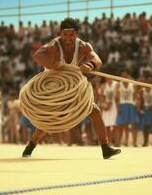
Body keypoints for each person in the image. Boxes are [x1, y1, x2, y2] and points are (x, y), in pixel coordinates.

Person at [22, 18, 121, 159]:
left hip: (72, 88)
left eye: (71, 34)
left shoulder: (83, 46)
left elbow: (97, 59)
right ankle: (32, 144)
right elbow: (37, 55)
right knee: (48, 122)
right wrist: (53, 64)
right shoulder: (54, 45)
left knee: (95, 112)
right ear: (60, 34)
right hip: (51, 87)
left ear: (77, 34)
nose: (68, 38)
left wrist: (90, 65)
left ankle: (105, 147)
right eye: (65, 34)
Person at [114, 70, 140, 147]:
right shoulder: (118, 85)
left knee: (134, 125)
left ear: (128, 76)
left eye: (125, 75)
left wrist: (137, 104)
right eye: (122, 75)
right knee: (120, 125)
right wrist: (118, 107)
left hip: (131, 105)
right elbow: (116, 97)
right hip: (122, 105)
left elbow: (136, 96)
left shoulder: (133, 84)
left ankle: (134, 143)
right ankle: (119, 142)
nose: (124, 77)